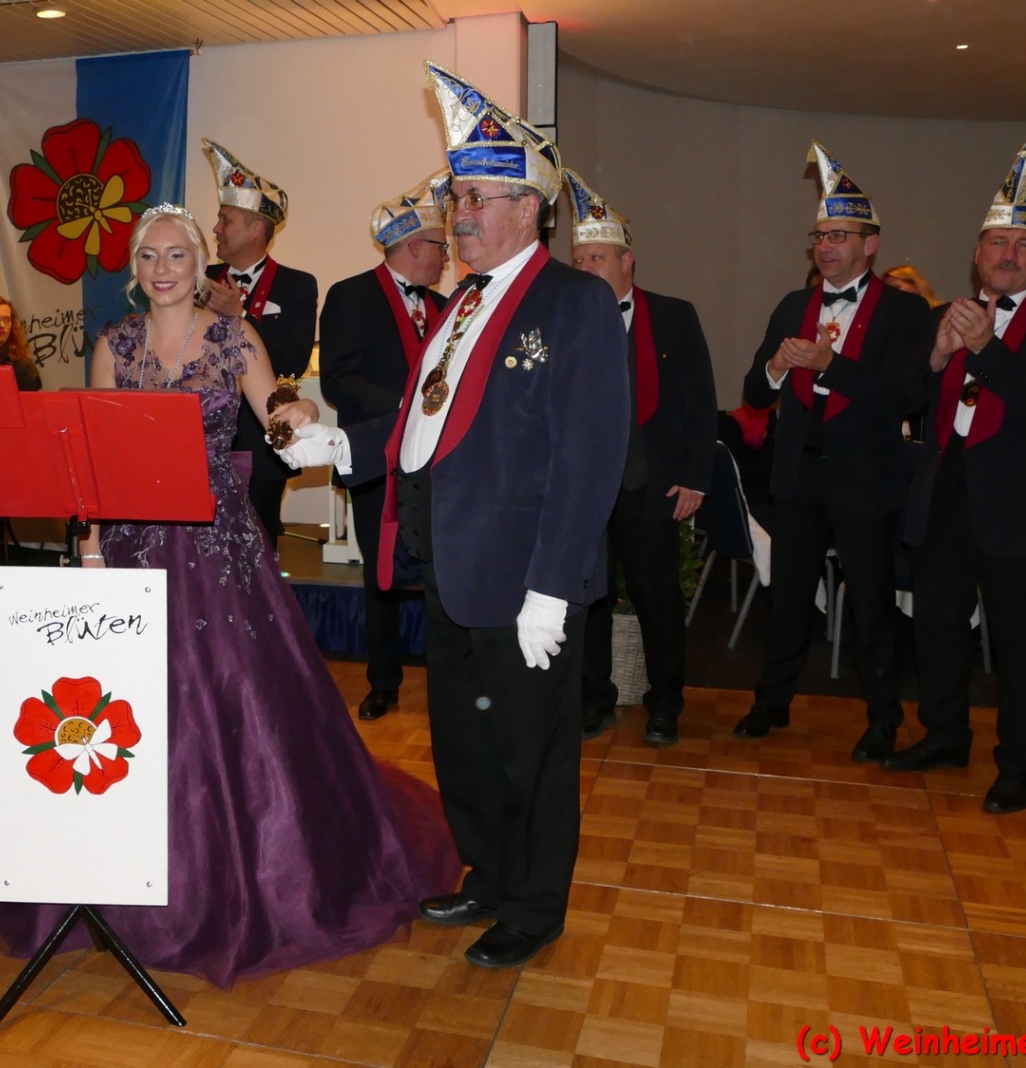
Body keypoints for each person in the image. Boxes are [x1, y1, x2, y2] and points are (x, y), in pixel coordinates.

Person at [0, 204, 459, 989]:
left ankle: (232, 877)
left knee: (235, 698)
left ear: (200, 264)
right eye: (149, 256)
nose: (162, 268)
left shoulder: (236, 337)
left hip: (215, 542)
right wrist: (91, 551)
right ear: (134, 268)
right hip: (129, 540)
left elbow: (273, 413)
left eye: (176, 255)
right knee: (116, 700)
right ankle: (97, 869)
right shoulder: (114, 344)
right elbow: (91, 458)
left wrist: (295, 412)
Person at [389, 64, 629, 969]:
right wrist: (349, 444)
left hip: (526, 577)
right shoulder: (459, 303)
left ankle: (533, 906)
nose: (458, 215)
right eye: (455, 197)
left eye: (476, 199)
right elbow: (434, 419)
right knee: (465, 742)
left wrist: (552, 587)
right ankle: (489, 873)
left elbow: (590, 454)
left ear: (529, 209)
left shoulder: (575, 302)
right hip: (453, 564)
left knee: (532, 750)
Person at [886, 138, 1026, 815]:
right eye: (998, 243)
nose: (1009, 254)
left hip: (1015, 502)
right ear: (977, 252)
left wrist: (986, 349)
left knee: (1018, 642)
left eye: (1023, 245)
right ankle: (945, 736)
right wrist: (938, 356)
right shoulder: (941, 316)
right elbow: (902, 399)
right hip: (944, 492)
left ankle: (1019, 765)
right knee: (938, 626)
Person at [737, 142, 928, 761]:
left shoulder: (903, 310)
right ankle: (771, 702)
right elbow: (753, 392)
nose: (826, 247)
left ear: (870, 245)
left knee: (871, 605)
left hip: (864, 479)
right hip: (798, 473)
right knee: (788, 598)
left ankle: (883, 720)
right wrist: (775, 366)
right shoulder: (794, 305)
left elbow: (907, 394)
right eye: (820, 236)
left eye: (839, 236)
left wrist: (831, 365)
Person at [564, 169, 716, 746]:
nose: (585, 269)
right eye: (578, 260)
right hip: (584, 489)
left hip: (651, 485)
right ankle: (593, 699)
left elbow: (700, 402)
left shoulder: (674, 316)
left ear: (627, 262)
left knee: (658, 600)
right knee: (589, 600)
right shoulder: (562, 322)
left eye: (596, 259)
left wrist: (695, 476)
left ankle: (665, 703)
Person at [316, 170, 449, 721]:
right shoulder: (350, 295)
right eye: (441, 246)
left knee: (441, 570)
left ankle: (447, 683)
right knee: (380, 574)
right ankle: (383, 681)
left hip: (435, 465)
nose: (448, 256)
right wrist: (404, 404)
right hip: (375, 460)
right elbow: (336, 380)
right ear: (414, 246)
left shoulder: (446, 305)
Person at [198, 139, 320, 546]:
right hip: (200, 441)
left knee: (260, 546)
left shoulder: (297, 285)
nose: (216, 229)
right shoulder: (199, 281)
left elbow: (294, 360)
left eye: (225, 220)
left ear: (256, 229)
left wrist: (243, 319)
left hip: (262, 443)